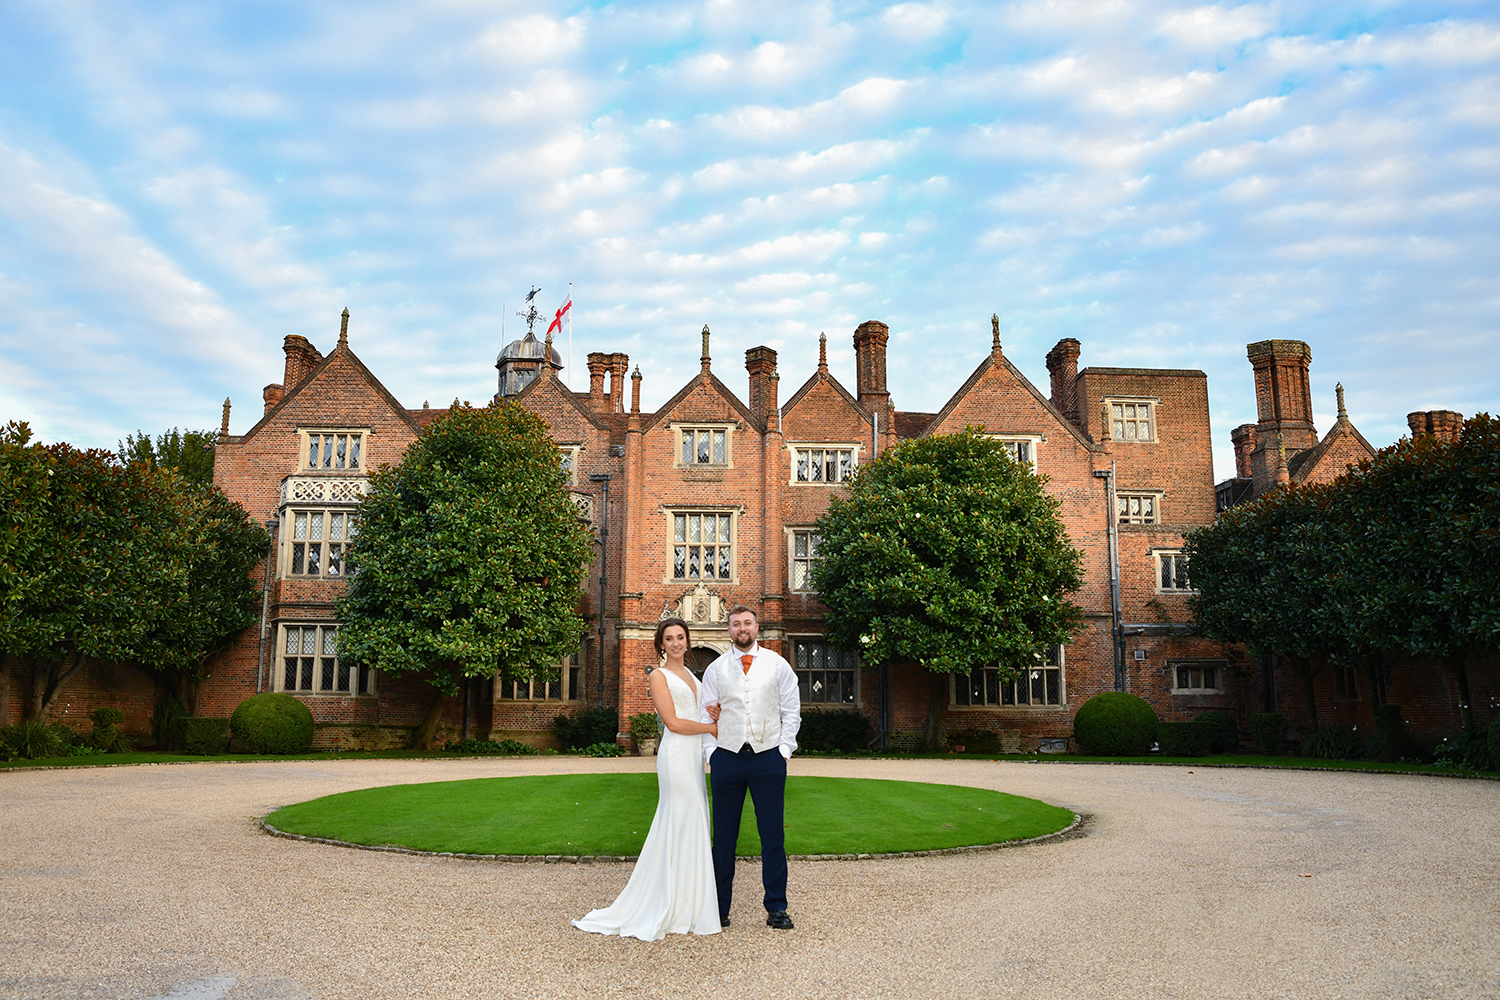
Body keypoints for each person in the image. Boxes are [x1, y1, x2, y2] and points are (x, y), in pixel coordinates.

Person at [572, 618, 721, 940]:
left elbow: (699, 714)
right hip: (676, 755)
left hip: (693, 757)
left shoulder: (693, 677)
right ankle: (669, 901)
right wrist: (711, 728)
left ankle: (690, 903)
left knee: (694, 819)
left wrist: (716, 718)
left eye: (681, 637)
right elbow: (674, 723)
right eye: (670, 639)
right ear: (661, 644)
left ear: (688, 641)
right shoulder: (658, 676)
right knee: (679, 818)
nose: (677, 643)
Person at [698, 604, 801, 931]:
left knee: (772, 837)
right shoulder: (715, 668)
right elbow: (706, 713)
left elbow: (792, 711)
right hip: (727, 758)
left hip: (767, 757)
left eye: (747, 623)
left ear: (756, 628)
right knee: (723, 839)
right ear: (729, 630)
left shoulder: (777, 664)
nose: (742, 628)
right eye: (736, 624)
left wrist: (784, 750)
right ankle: (718, 908)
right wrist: (712, 754)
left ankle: (777, 907)